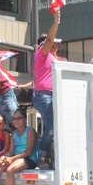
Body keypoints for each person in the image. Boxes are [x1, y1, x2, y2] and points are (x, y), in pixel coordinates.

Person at [0, 109, 39, 185]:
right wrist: (3, 157)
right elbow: (10, 151)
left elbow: (29, 151)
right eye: (14, 119)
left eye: (18, 118)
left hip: (29, 158)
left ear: (25, 119)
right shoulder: (13, 134)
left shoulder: (30, 131)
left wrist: (12, 159)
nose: (15, 121)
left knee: (10, 170)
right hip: (15, 158)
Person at [33, 10, 61, 168]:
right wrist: (56, 21)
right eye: (52, 43)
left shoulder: (49, 56)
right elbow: (49, 39)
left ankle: (47, 157)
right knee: (51, 128)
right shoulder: (43, 52)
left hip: (50, 94)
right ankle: (42, 158)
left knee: (54, 128)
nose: (54, 44)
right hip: (44, 95)